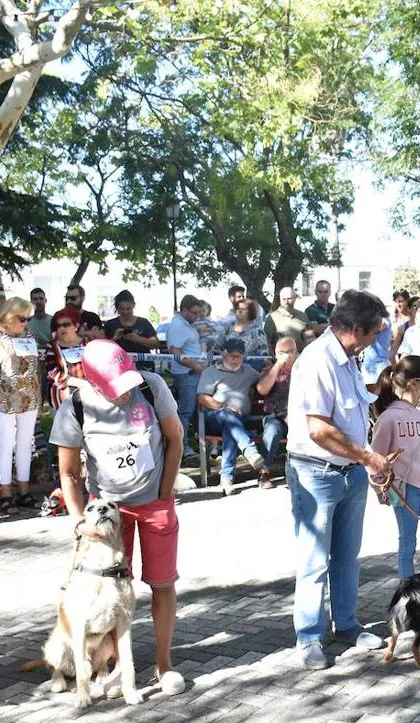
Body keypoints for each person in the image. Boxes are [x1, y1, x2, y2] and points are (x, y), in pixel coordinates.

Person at [50, 339, 187, 697]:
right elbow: (68, 474)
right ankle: (115, 667)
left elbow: (175, 439)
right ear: (93, 381)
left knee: (162, 582)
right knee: (108, 590)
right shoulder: (75, 407)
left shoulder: (151, 387)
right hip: (108, 512)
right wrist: (81, 519)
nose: (123, 395)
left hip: (155, 503)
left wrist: (165, 491)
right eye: (114, 389)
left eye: (126, 386)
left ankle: (163, 662)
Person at [287, 289, 393, 669]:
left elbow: (354, 412)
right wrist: (367, 456)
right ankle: (309, 637)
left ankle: (346, 624)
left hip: (350, 471)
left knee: (347, 556)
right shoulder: (318, 361)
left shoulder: (350, 358)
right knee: (314, 560)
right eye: (375, 332)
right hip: (316, 472)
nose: (379, 338)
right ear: (356, 329)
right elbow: (318, 428)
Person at [370, 355, 420, 580]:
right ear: (414, 383)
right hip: (405, 490)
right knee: (407, 543)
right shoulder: (389, 418)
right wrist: (380, 488)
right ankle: (408, 595)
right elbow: (375, 458)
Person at [0, 298, 40, 515]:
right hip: (1, 400)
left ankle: (23, 491)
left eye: (27, 319)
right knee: (6, 444)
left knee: (25, 444)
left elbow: (35, 366)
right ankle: (5, 493)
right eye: (22, 318)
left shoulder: (28, 336)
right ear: (10, 316)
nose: (25, 323)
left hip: (28, 398)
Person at [196, 337, 269, 495]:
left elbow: (264, 382)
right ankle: (250, 452)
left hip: (237, 421)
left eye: (238, 356)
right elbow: (202, 398)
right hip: (214, 417)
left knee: (231, 429)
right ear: (224, 354)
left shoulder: (248, 371)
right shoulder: (211, 372)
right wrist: (224, 406)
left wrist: (269, 369)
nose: (235, 359)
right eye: (231, 355)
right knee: (228, 416)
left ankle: (226, 479)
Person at [165, 295, 206, 459]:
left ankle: (188, 444)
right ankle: (182, 447)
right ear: (184, 310)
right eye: (194, 313)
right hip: (186, 374)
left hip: (192, 373)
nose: (196, 316)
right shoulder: (177, 326)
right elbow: (175, 354)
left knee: (192, 411)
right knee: (186, 412)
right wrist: (195, 366)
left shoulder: (186, 325)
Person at [254, 336, 297, 487]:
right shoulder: (270, 371)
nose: (285, 356)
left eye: (288, 352)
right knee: (272, 429)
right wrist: (278, 365)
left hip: (299, 416)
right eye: (280, 353)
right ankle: (263, 473)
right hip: (275, 417)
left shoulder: (304, 370)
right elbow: (262, 389)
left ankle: (303, 472)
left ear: (296, 353)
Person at [47, 306, 87, 409]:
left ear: (76, 326)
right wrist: (76, 382)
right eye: (58, 326)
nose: (61, 328)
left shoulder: (88, 343)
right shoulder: (52, 347)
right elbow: (52, 372)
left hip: (88, 396)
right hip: (62, 398)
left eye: (66, 325)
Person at [104, 290, 160, 357]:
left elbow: (156, 344)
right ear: (117, 308)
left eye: (128, 308)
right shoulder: (110, 324)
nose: (125, 312)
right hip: (118, 364)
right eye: (122, 309)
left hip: (143, 365)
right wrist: (115, 338)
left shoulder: (144, 322)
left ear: (133, 306)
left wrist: (138, 339)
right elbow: (102, 348)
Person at [264, 286, 313, 352]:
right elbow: (267, 341)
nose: (286, 302)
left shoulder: (303, 316)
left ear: (295, 298)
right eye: (284, 299)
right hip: (282, 359)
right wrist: (273, 358)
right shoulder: (272, 318)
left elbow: (309, 337)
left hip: (301, 357)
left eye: (289, 298)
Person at [384, 289, 416, 361]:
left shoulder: (413, 317)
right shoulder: (392, 318)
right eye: (396, 302)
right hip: (396, 355)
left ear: (407, 302)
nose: (398, 304)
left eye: (401, 301)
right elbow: (392, 345)